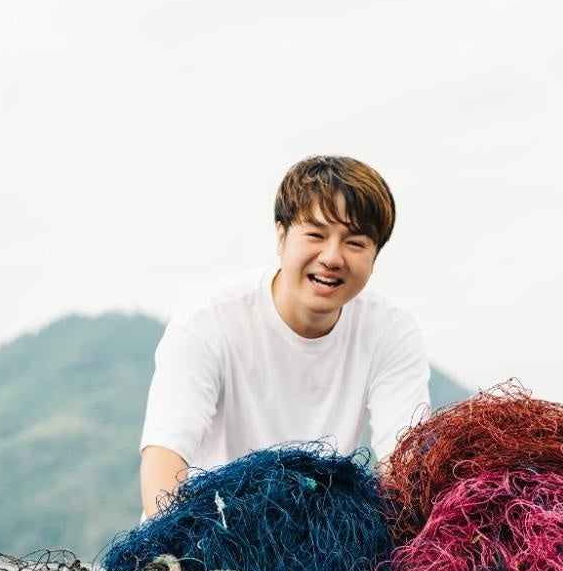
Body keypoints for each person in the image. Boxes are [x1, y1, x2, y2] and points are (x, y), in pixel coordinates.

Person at [138, 156, 431, 519]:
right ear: (281, 236)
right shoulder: (208, 320)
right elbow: (166, 452)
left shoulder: (391, 332)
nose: (332, 257)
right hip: (209, 528)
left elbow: (402, 464)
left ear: (375, 256)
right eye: (315, 235)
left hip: (323, 537)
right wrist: (169, 541)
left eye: (355, 242)